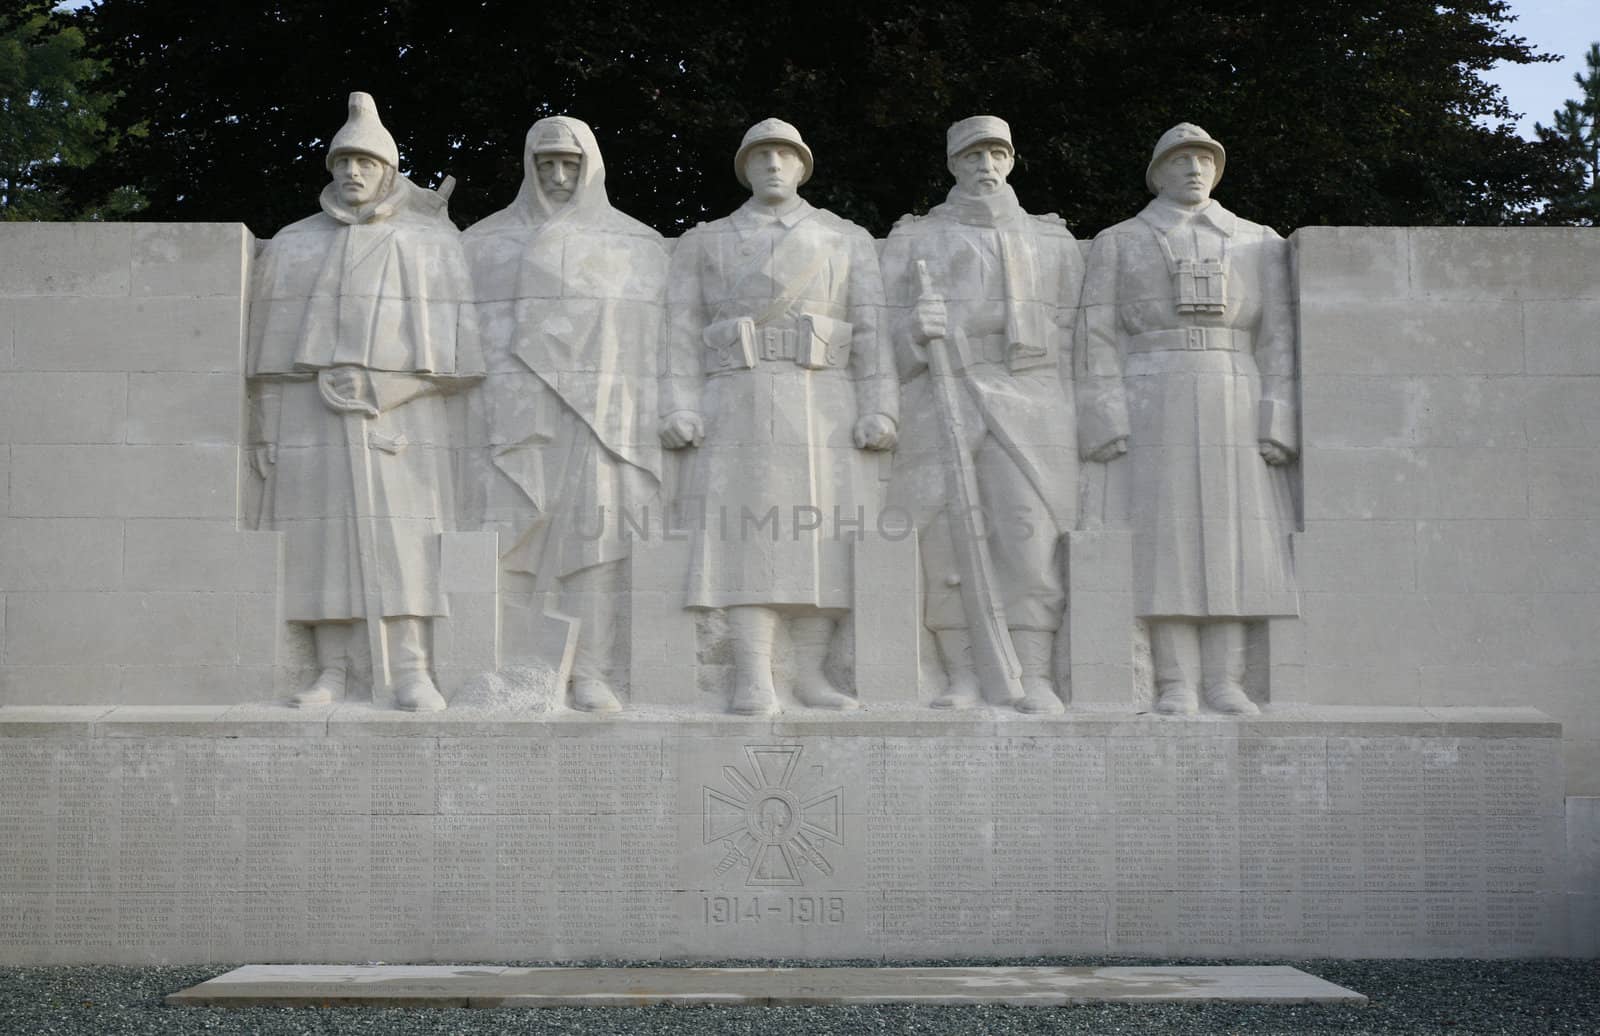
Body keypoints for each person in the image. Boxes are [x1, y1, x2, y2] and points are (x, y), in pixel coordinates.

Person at [248, 92, 483, 712]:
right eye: (343, 162)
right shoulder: (296, 244)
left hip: (404, 412)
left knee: (405, 541)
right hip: (310, 413)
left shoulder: (427, 243)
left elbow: (459, 359)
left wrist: (388, 387)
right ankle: (331, 670)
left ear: (389, 170)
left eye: (366, 163)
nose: (353, 173)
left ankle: (410, 669)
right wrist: (266, 429)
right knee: (319, 543)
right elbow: (267, 362)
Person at [660, 118, 898, 715]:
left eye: (784, 154)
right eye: (761, 154)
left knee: (823, 539)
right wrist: (680, 404)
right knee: (747, 537)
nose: (772, 164)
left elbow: (872, 328)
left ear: (802, 165)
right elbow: (678, 332)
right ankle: (752, 676)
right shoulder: (705, 241)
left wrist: (879, 406)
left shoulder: (846, 238)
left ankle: (810, 674)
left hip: (823, 399)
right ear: (744, 166)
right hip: (737, 396)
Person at [1078, 122, 1299, 716]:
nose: (1194, 168)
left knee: (1234, 539)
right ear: (1157, 173)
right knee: (1164, 541)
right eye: (1180, 160)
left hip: (1233, 387)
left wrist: (1278, 415)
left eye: (1204, 158)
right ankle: (1174, 681)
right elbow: (1095, 333)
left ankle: (1226, 681)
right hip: (1154, 386)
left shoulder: (1259, 241)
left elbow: (1277, 337)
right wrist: (1104, 410)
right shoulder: (1120, 240)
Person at [881, 115, 1095, 713]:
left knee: (1028, 540)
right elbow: (878, 335)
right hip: (942, 393)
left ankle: (1034, 673)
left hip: (1030, 399)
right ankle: (963, 675)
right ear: (953, 164)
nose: (986, 166)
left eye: (997, 154)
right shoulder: (915, 239)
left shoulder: (1052, 241)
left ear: (1010, 160)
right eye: (973, 156)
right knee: (946, 546)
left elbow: (1079, 334)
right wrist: (913, 333)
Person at [464, 117, 668, 713]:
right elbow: (463, 333)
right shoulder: (483, 242)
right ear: (527, 166)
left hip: (600, 417)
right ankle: (508, 666)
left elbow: (655, 339)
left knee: (594, 541)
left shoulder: (636, 243)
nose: (557, 175)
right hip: (515, 420)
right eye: (545, 163)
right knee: (508, 538)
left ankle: (591, 670)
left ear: (592, 167)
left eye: (570, 164)